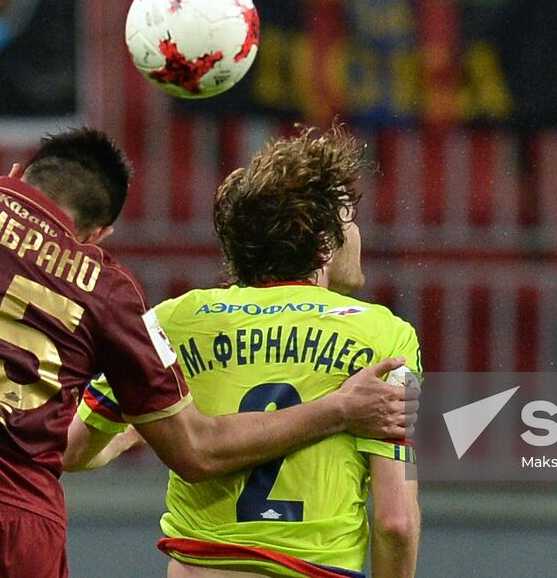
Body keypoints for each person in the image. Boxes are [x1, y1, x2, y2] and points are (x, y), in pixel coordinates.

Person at [0, 127, 413, 578]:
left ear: (18, 171)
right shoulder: (110, 287)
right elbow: (201, 451)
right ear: (103, 228)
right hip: (30, 540)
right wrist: (341, 409)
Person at [68, 126, 421, 578]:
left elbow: (73, 450)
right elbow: (396, 522)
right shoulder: (386, 337)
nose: (357, 234)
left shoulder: (173, 320)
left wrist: (146, 428)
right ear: (324, 242)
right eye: (349, 219)